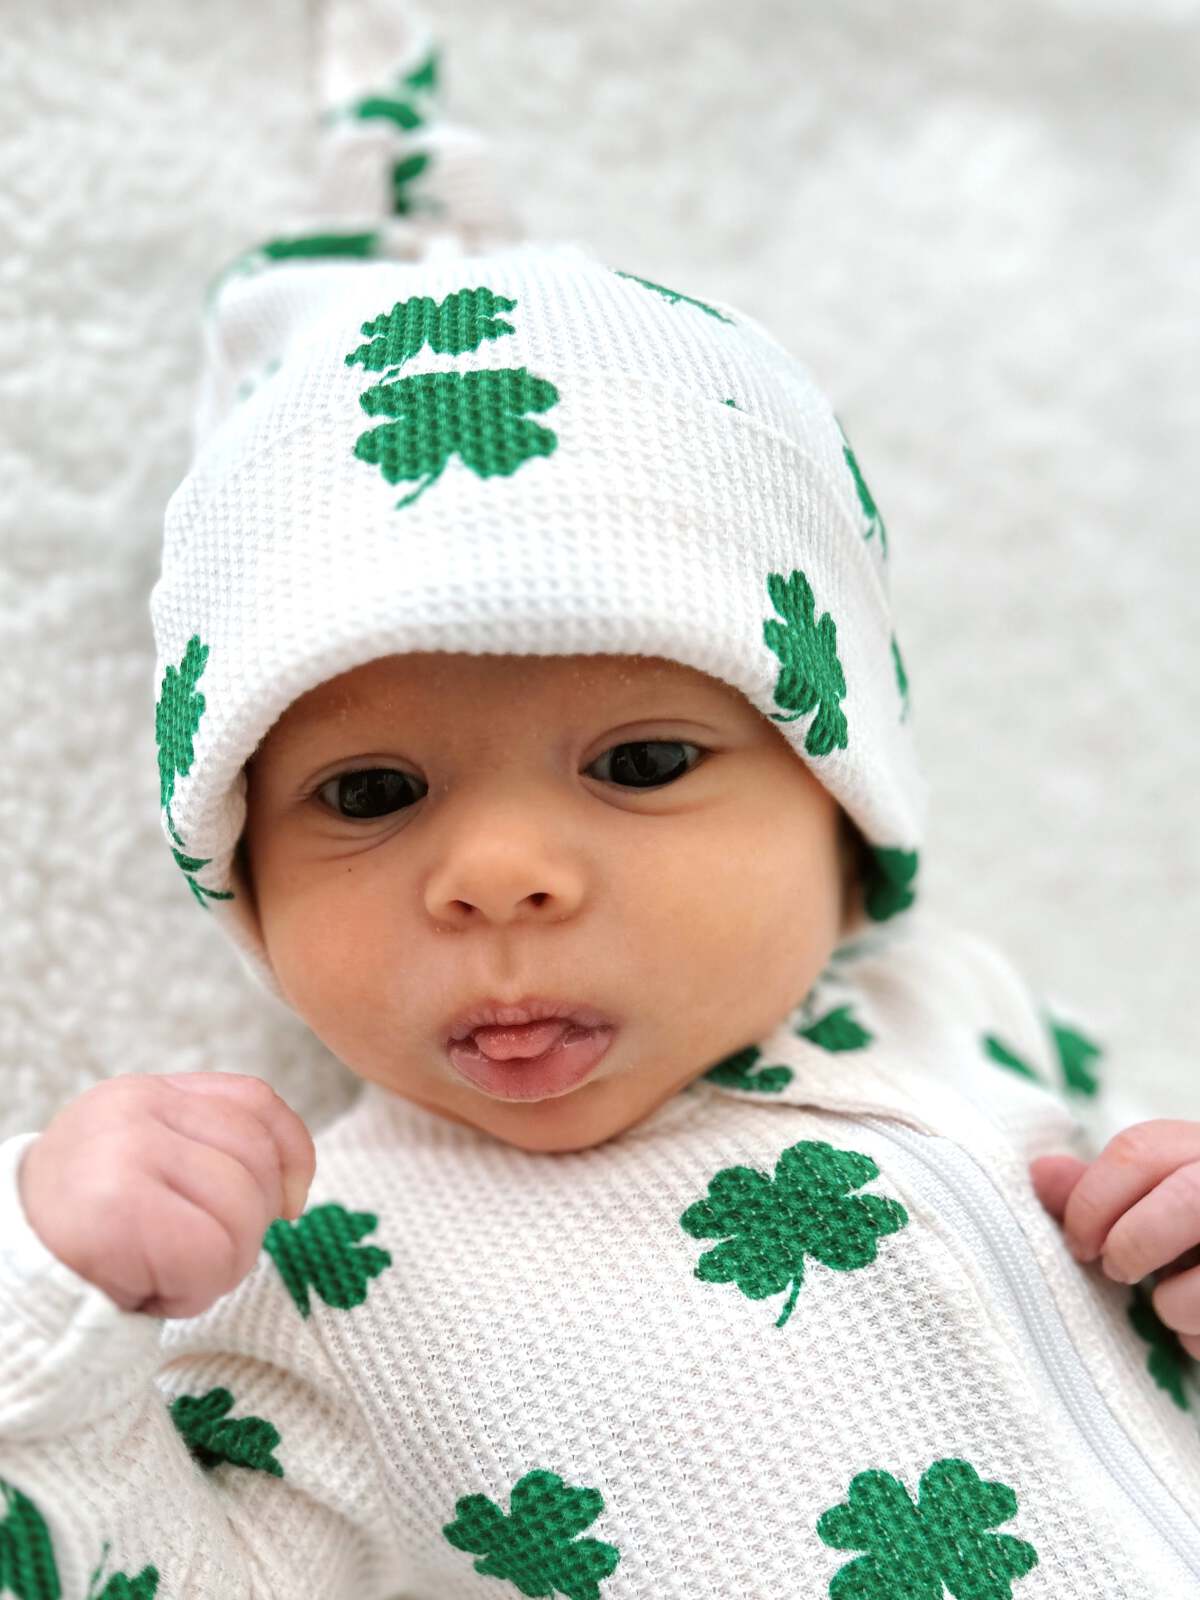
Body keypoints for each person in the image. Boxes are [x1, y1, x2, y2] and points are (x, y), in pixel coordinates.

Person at [3, 2, 1200, 1595]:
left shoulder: (977, 1019)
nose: (496, 876)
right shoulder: (317, 1273)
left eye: (640, 763)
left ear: (846, 808)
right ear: (241, 878)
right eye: (370, 791)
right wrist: (48, 1314)